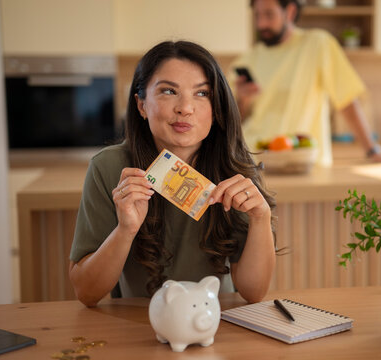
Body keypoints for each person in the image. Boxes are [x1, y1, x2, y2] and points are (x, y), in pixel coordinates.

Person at [69, 41, 276, 307]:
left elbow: (254, 292)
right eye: (168, 91)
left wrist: (261, 218)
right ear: (141, 105)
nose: (185, 108)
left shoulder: (235, 169)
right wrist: (125, 230)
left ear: (217, 107)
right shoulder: (109, 168)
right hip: (137, 323)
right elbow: (86, 292)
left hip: (214, 320)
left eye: (202, 94)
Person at [231, 0, 381, 166]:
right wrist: (243, 99)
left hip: (306, 163)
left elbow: (346, 100)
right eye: (257, 15)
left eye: (269, 14)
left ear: (290, 11)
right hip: (255, 163)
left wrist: (372, 150)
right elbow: (232, 124)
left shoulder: (317, 44)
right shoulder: (247, 59)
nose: (261, 23)